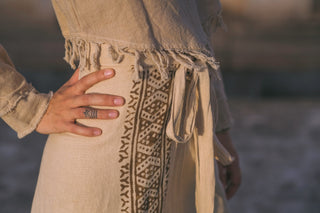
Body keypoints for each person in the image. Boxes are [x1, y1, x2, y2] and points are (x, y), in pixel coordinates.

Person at [0, 0, 241, 212]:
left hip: (185, 154)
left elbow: (197, 37)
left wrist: (219, 128)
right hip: (103, 142)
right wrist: (24, 106)